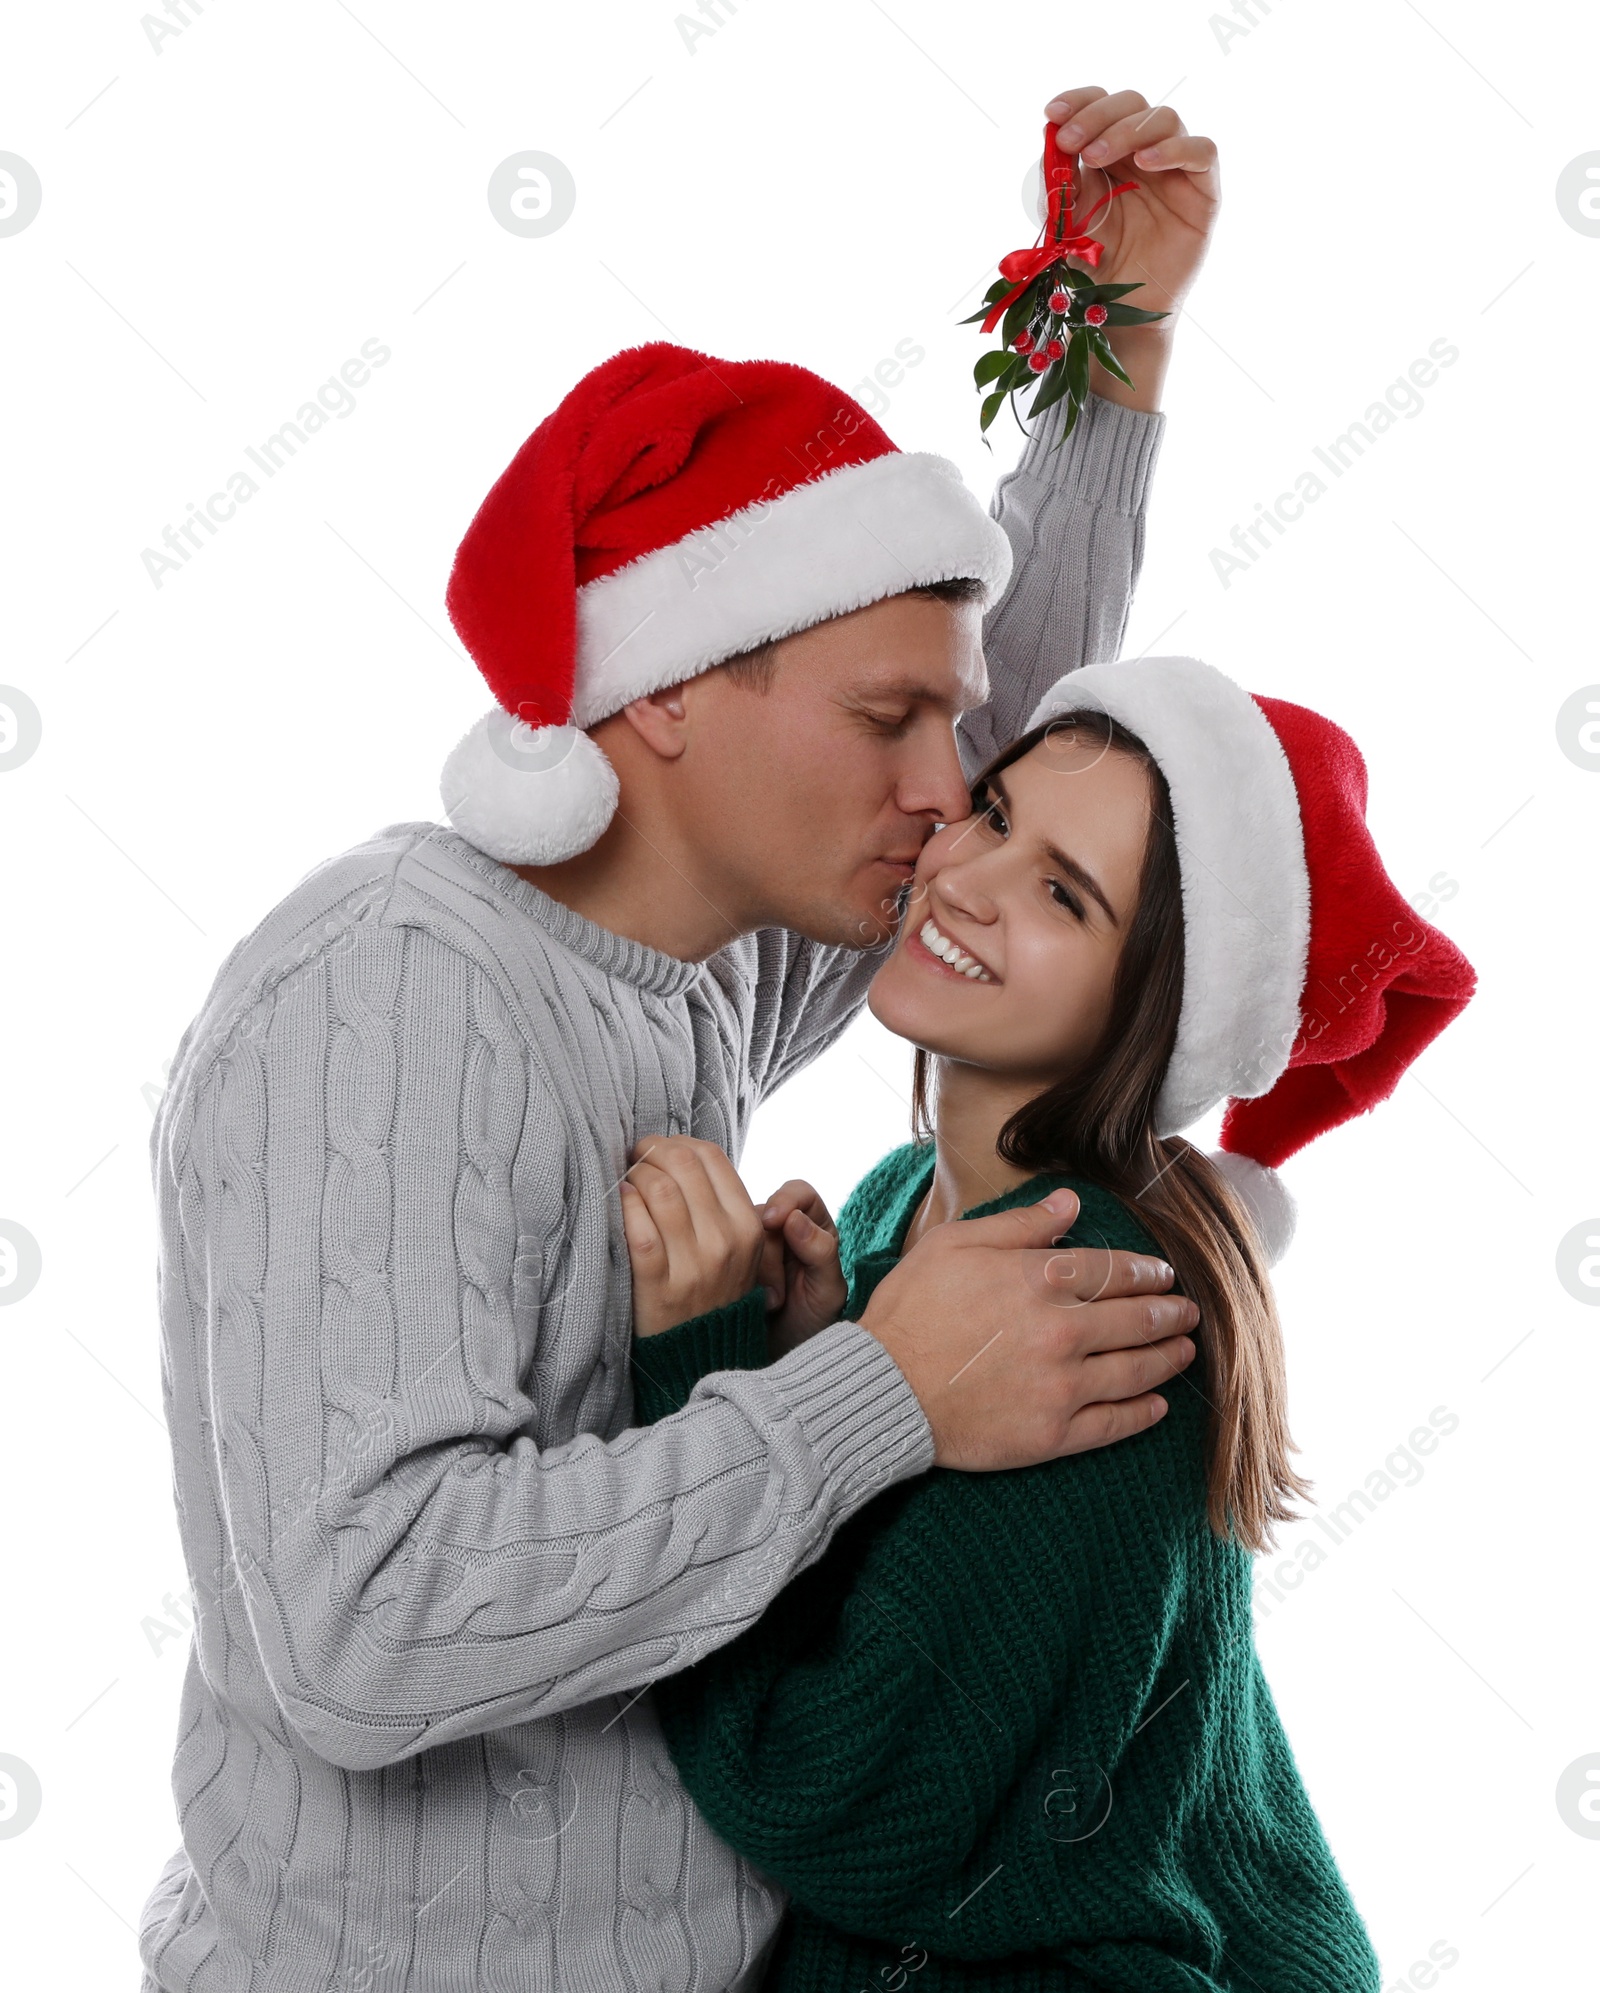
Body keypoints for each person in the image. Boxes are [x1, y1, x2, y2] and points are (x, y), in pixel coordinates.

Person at [138, 88, 1221, 1993]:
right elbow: (361, 1618)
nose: (941, 793)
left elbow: (1036, 758)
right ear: (662, 698)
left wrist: (1106, 356)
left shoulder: (700, 961)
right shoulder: (390, 991)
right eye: (890, 718)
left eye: (939, 727)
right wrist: (880, 1393)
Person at [622, 656, 1477, 1991]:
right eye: (1001, 813)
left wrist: (701, 1373)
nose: (965, 878)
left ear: (1154, 1007)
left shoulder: (1090, 1298)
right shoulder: (907, 1197)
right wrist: (815, 1361)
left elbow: (824, 1799)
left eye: (1064, 895)